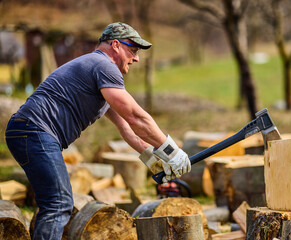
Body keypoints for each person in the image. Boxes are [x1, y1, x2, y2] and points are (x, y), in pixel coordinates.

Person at [5, 22, 191, 240]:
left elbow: (126, 127)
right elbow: (136, 116)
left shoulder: (98, 72)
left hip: (30, 131)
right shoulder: (104, 66)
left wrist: (152, 157)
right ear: (115, 45)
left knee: (54, 202)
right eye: (133, 50)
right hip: (35, 130)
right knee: (58, 202)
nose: (136, 58)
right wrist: (171, 151)